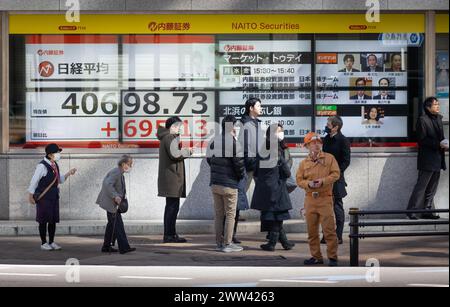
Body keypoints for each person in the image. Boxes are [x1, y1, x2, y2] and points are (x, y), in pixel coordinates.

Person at [296, 132, 340, 267]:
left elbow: (336, 174)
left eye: (318, 142)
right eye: (313, 143)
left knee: (329, 230)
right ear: (307, 146)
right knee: (312, 231)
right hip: (310, 199)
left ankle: (333, 257)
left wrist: (323, 181)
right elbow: (299, 180)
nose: (316, 145)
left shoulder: (329, 158)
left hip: (325, 198)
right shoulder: (304, 163)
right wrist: (307, 184)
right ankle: (316, 257)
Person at [251, 124, 295, 252]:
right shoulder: (276, 151)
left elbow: (255, 171)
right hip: (277, 187)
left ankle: (285, 243)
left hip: (264, 188)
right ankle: (272, 244)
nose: (281, 134)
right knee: (278, 215)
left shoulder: (262, 150)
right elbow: (286, 172)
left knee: (274, 215)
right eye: (279, 132)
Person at [207, 116, 246, 253]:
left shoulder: (213, 141)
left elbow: (209, 160)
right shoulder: (234, 143)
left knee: (218, 215)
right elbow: (239, 164)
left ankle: (219, 243)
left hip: (215, 183)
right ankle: (228, 243)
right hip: (229, 184)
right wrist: (239, 177)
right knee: (230, 215)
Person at [27, 143, 77, 251]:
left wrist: (68, 173)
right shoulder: (42, 166)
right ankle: (43, 242)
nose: (59, 154)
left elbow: (59, 180)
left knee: (53, 220)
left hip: (53, 197)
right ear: (50, 155)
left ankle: (52, 241)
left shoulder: (55, 165)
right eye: (57, 152)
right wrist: (30, 195)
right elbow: (34, 181)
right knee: (43, 220)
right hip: (44, 198)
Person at [406, 97, 449, 220]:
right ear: (428, 107)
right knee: (421, 186)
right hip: (427, 159)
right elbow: (422, 140)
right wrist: (438, 144)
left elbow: (441, 137)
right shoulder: (422, 120)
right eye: (435, 104)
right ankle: (412, 211)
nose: (438, 106)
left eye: (438, 104)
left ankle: (427, 210)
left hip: (438, 158)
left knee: (432, 187)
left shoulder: (439, 119)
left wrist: (444, 144)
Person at [158, 116, 193, 243]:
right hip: (171, 178)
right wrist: (187, 151)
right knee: (172, 208)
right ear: (172, 126)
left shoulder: (168, 137)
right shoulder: (168, 137)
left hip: (171, 178)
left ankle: (171, 234)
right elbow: (175, 154)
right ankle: (169, 235)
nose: (180, 129)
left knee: (172, 207)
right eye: (178, 126)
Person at [236, 97, 264, 244]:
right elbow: (243, 146)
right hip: (249, 166)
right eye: (259, 106)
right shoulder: (244, 124)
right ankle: (230, 233)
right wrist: (250, 163)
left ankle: (271, 234)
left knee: (268, 196)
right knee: (238, 195)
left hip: (258, 164)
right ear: (251, 108)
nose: (261, 108)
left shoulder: (256, 124)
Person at [96, 155, 136, 254]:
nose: (131, 166)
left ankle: (106, 246)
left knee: (112, 225)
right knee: (118, 225)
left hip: (112, 203)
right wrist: (115, 196)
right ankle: (124, 247)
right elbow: (107, 184)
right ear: (123, 164)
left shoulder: (120, 173)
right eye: (129, 164)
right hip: (111, 203)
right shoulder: (116, 172)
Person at [321, 116, 351, 245]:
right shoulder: (326, 139)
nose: (326, 126)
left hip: (336, 179)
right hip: (324, 178)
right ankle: (326, 235)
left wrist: (336, 172)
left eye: (328, 124)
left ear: (335, 127)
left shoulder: (343, 141)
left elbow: (346, 161)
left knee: (337, 207)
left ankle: (338, 235)